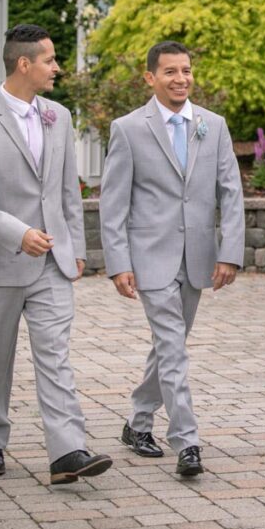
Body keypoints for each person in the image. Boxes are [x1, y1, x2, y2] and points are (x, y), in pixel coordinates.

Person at [0, 24, 112, 485]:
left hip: (52, 264)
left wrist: (76, 247)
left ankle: (67, 451)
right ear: (24, 64)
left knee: (56, 355)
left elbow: (67, 189)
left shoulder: (59, 117)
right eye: (50, 60)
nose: (57, 68)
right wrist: (19, 232)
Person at [100, 40, 244, 477]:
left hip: (198, 255)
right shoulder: (128, 129)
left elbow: (230, 192)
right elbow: (113, 202)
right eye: (170, 72)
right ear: (150, 77)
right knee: (172, 347)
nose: (180, 79)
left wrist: (230, 252)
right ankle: (186, 441)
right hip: (150, 256)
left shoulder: (212, 125)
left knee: (170, 346)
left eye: (186, 71)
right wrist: (119, 262)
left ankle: (138, 422)